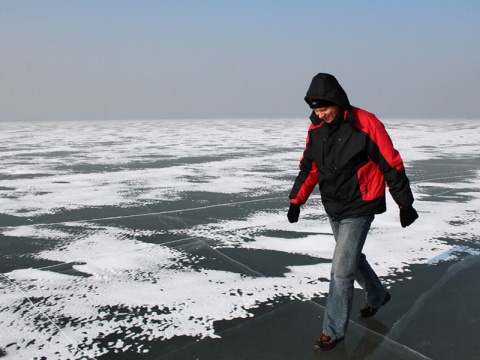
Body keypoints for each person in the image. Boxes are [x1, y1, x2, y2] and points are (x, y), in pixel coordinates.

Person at [287, 73, 418, 351]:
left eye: (324, 108)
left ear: (337, 101)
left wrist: (405, 204)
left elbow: (390, 163)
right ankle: (378, 295)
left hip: (360, 204)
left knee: (340, 270)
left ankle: (332, 330)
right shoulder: (316, 130)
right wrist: (296, 200)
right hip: (334, 204)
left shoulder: (365, 123)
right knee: (352, 259)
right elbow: (309, 167)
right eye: (315, 110)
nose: (320, 114)